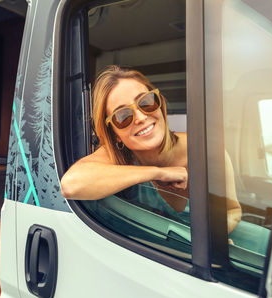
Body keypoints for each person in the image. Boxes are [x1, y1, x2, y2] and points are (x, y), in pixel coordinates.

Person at [61, 65, 241, 233]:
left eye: (146, 102)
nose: (140, 117)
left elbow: (232, 211)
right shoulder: (120, 157)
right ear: (115, 134)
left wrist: (203, 240)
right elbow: (71, 184)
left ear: (160, 104)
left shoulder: (207, 151)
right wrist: (158, 173)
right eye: (123, 116)